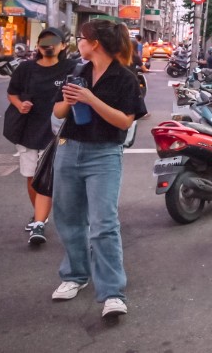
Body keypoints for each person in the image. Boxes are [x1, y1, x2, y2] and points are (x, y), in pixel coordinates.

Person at [51, 20, 147, 318]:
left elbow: (125, 121)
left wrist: (91, 99)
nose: (78, 42)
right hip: (69, 148)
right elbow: (57, 111)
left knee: (103, 223)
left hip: (104, 154)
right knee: (68, 217)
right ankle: (75, 276)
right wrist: (68, 101)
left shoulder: (125, 78)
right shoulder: (77, 71)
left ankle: (112, 292)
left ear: (95, 43)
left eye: (81, 38)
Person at [5, 27, 76, 245]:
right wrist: (20, 104)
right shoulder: (26, 69)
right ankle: (39, 216)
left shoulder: (71, 68)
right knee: (32, 175)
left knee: (54, 177)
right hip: (27, 129)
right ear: (38, 46)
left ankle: (40, 220)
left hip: (58, 131)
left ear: (63, 46)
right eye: (44, 41)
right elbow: (12, 92)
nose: (49, 45)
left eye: (54, 41)